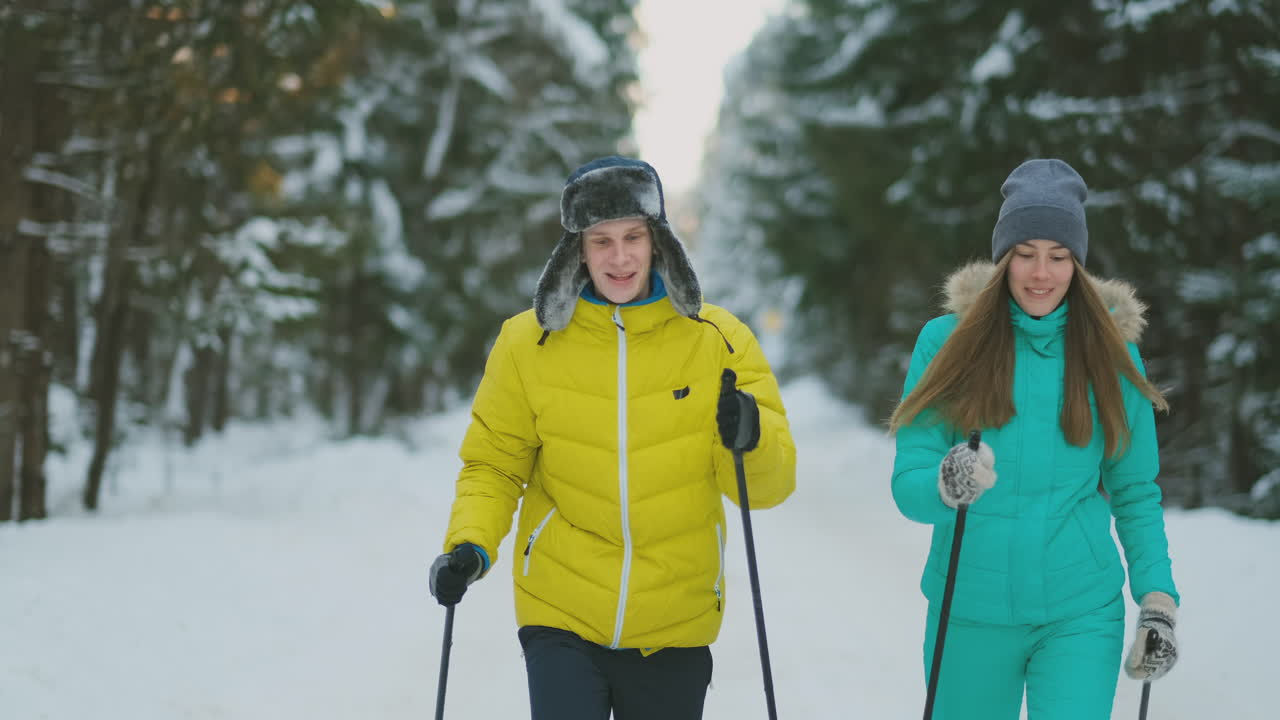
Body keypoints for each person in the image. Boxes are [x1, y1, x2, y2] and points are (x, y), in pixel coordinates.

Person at [428, 155, 796, 720]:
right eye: (601, 240)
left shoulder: (719, 341)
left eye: (633, 236)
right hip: (561, 611)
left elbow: (767, 489)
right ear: (577, 248)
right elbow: (495, 464)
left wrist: (749, 436)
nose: (619, 257)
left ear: (660, 242)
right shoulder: (527, 344)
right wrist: (469, 545)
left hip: (674, 619)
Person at [887, 159, 1180, 719]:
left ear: (1078, 262)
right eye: (1025, 253)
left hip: (1079, 613)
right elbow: (908, 479)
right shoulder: (947, 343)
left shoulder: (1112, 357)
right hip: (969, 611)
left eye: (1059, 255)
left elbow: (1136, 491)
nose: (1041, 273)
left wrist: (1158, 600)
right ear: (1002, 259)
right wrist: (945, 482)